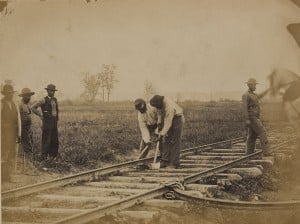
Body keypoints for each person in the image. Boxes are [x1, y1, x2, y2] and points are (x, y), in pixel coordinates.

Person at [150, 95, 184, 168]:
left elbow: (168, 123)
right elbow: (160, 116)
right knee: (165, 140)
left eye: (156, 106)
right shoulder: (159, 105)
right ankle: (165, 161)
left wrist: (162, 134)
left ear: (160, 103)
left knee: (174, 141)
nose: (156, 108)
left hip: (177, 119)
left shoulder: (169, 107)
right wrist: (158, 129)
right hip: (167, 119)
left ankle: (174, 163)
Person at [242, 78, 270, 156]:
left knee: (252, 136)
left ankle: (248, 153)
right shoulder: (245, 95)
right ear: (249, 85)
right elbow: (244, 108)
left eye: (255, 85)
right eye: (254, 85)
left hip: (255, 117)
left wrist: (268, 90)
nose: (255, 86)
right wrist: (247, 119)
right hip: (252, 118)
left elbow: (261, 95)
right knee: (262, 132)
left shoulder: (254, 95)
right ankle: (267, 152)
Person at [31, 84, 59, 161]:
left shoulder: (55, 100)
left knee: (54, 140)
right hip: (47, 123)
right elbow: (33, 107)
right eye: (50, 91)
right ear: (47, 91)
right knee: (46, 140)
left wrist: (56, 119)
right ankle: (44, 157)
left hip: (54, 123)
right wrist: (40, 115)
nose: (52, 92)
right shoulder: (43, 100)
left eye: (53, 91)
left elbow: (55, 111)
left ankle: (53, 157)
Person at [1, 84, 21, 182]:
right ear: (4, 94)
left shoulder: (14, 104)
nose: (10, 95)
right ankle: (2, 176)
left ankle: (7, 176)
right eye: (8, 93)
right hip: (4, 133)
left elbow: (18, 120)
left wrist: (19, 134)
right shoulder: (1, 104)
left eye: (11, 93)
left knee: (11, 154)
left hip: (13, 133)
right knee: (3, 153)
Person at [18, 88, 35, 169]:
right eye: (27, 96)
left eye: (29, 96)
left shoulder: (27, 105)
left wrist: (30, 130)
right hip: (23, 129)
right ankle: (28, 167)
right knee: (27, 147)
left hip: (29, 129)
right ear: (23, 96)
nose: (28, 97)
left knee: (30, 145)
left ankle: (28, 165)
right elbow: (17, 118)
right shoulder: (20, 105)